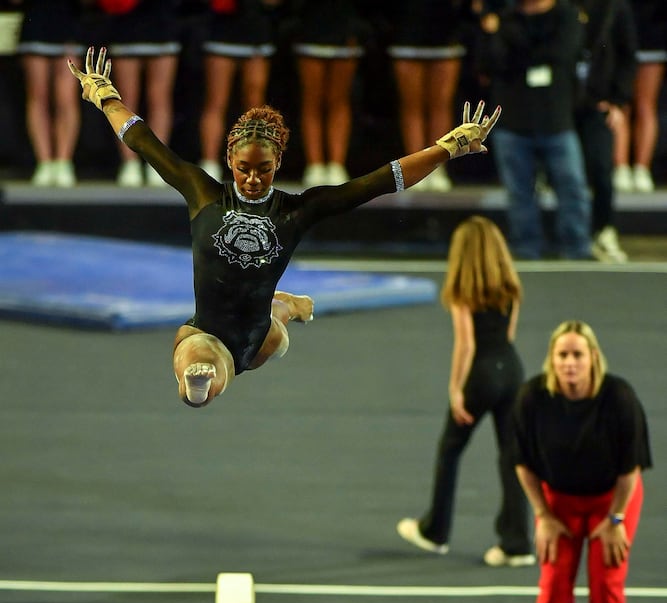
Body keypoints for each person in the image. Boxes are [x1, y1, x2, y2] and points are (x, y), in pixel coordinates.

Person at [68, 46, 501, 407]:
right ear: (229, 162)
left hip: (259, 340)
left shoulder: (297, 210)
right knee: (197, 376)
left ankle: (283, 307)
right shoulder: (202, 192)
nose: (253, 179)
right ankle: (281, 308)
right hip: (210, 331)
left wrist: (447, 148)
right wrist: (103, 95)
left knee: (217, 372)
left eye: (264, 170)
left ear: (278, 165)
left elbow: (379, 181)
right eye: (243, 169)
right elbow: (144, 140)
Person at [512, 320, 652, 603]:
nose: (570, 363)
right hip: (559, 501)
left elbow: (631, 471)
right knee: (554, 582)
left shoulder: (619, 398)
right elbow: (522, 464)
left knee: (607, 583)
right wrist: (542, 515)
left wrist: (617, 520)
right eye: (562, 355)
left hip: (614, 499)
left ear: (593, 358)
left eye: (577, 355)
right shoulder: (532, 398)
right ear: (552, 360)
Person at [397, 215, 534, 567]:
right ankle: (517, 544)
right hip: (512, 371)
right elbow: (509, 335)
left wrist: (456, 388)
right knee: (512, 457)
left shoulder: (463, 292)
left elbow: (467, 345)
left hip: (482, 374)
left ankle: (435, 531)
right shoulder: (511, 287)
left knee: (451, 449)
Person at [475, 0, 591, 260]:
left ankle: (577, 248)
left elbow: (562, 52)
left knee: (571, 186)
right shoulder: (504, 16)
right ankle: (526, 248)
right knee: (519, 192)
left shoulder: (566, 15)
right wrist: (505, 40)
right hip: (513, 121)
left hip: (556, 119)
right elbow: (491, 63)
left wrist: (509, 39)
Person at [574, 0, 637, 262]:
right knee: (566, 175)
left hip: (598, 105)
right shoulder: (559, 5)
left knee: (601, 169)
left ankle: (604, 231)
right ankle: (573, 238)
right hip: (559, 106)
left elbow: (627, 54)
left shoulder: (615, 7)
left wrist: (618, 101)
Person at [386, 0, 471, 192]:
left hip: (446, 30)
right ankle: (415, 168)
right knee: (411, 105)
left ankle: (436, 167)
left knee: (441, 105)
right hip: (408, 29)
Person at [96, 0, 181, 187]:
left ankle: (157, 163)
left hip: (163, 25)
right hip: (126, 27)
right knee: (126, 100)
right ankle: (129, 163)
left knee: (159, 98)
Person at [198, 0, 281, 183]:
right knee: (216, 101)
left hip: (256, 32)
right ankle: (210, 162)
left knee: (255, 106)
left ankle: (255, 161)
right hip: (220, 30)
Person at [289, 0, 368, 186]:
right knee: (312, 101)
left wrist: (356, 30)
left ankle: (336, 165)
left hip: (346, 31)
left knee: (339, 101)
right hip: (310, 29)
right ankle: (314, 165)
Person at [17, 0, 84, 186]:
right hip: (36, 25)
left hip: (69, 26)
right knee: (37, 96)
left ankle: (64, 162)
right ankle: (44, 162)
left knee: (66, 98)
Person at [613, 0, 666, 193]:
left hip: (651, 34)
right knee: (620, 103)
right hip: (618, 34)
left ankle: (642, 169)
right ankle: (620, 168)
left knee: (646, 105)